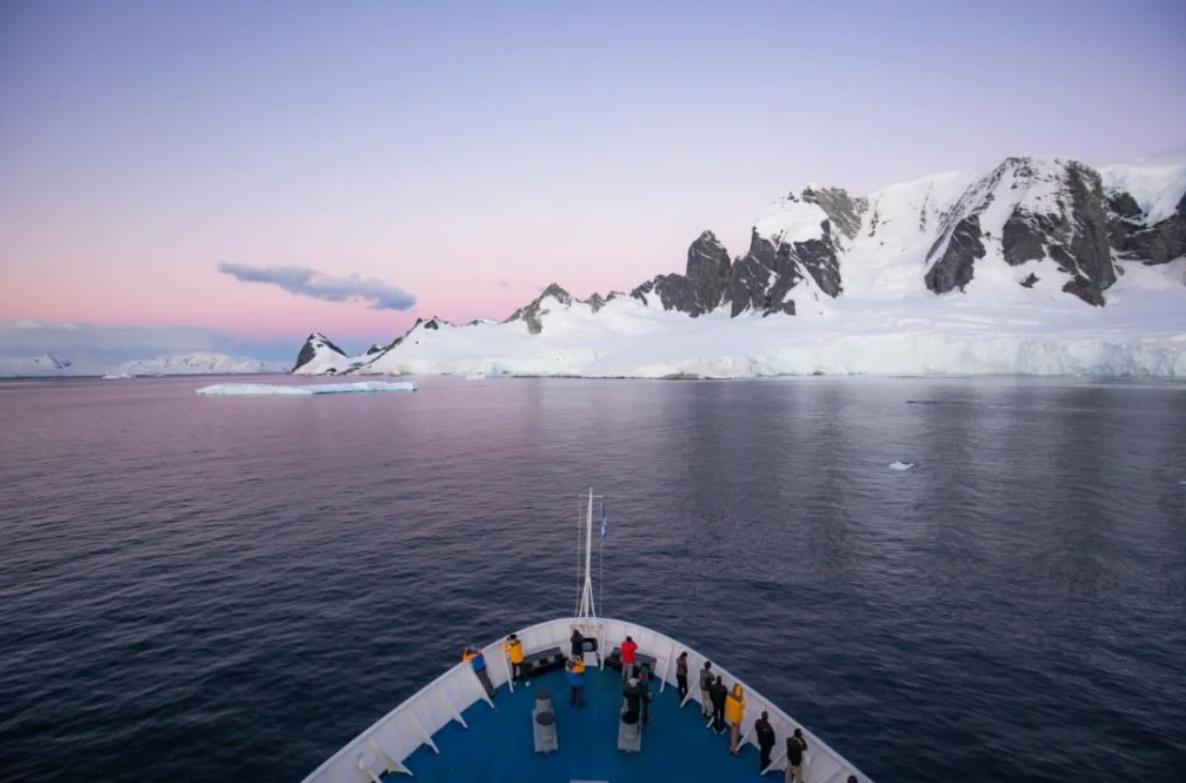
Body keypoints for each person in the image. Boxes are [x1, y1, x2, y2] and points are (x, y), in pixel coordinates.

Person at [726, 683, 746, 755]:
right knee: (736, 732)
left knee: (732, 729)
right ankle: (733, 749)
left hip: (731, 716)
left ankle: (732, 744)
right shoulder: (739, 701)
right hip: (737, 718)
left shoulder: (729, 695)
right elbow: (743, 706)